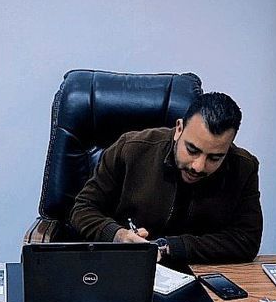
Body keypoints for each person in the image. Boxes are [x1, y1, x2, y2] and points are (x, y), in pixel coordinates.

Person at [68, 92, 263, 263]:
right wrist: (118, 236)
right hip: (124, 264)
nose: (198, 166)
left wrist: (170, 247)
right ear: (179, 129)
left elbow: (246, 240)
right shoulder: (130, 149)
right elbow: (82, 209)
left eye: (215, 157)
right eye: (192, 150)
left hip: (199, 272)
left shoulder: (244, 168)